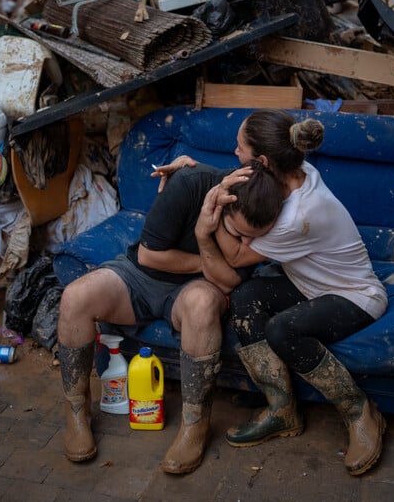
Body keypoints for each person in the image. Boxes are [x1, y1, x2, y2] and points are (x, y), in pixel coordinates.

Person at [154, 109, 388, 476]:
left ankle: (359, 410)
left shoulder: (297, 216)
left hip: (354, 295)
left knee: (283, 329)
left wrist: (209, 210)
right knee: (246, 298)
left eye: (239, 147)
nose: (233, 153)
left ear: (261, 161)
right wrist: (192, 171)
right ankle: (282, 410)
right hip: (309, 285)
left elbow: (232, 257)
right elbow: (243, 182)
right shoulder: (297, 170)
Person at [57, 160, 285, 474]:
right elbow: (149, 256)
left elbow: (229, 282)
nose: (245, 246)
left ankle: (195, 425)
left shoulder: (266, 210)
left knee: (203, 302)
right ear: (220, 202)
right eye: (238, 233)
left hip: (195, 290)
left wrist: (207, 240)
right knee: (75, 297)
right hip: (141, 275)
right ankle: (76, 411)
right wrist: (209, 261)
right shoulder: (189, 184)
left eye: (254, 239)